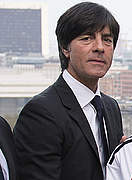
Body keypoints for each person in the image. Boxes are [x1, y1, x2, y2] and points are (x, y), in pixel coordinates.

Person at [13, 2, 124, 180]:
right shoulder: (42, 112)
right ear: (65, 48)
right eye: (87, 38)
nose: (99, 47)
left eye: (107, 40)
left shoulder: (110, 107)